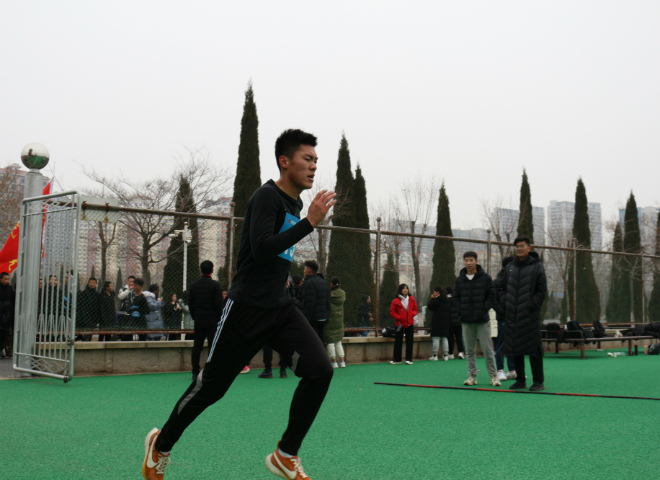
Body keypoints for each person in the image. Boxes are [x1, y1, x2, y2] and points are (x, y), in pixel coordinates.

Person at [142, 128, 336, 480]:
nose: (313, 167)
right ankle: (161, 444)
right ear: (284, 161)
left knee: (320, 369)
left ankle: (286, 454)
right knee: (211, 388)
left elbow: (276, 255)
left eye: (315, 161)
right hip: (246, 309)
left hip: (280, 307)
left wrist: (299, 234)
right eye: (307, 159)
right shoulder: (266, 197)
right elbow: (261, 249)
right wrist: (310, 222)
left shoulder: (294, 204)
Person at [499, 236, 548, 392]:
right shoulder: (509, 267)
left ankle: (538, 381)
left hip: (530, 315)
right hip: (512, 315)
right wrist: (505, 303)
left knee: (534, 349)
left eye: (522, 246)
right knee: (515, 348)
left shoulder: (537, 267)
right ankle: (520, 380)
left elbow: (542, 290)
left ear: (529, 248)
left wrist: (531, 305)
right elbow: (501, 287)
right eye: (517, 246)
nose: (519, 249)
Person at [453, 251, 499, 387]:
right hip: (466, 321)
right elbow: (455, 298)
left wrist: (483, 309)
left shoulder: (485, 278)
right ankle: (472, 376)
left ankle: (494, 376)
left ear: (476, 261)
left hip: (482, 320)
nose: (468, 263)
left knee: (488, 350)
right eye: (466, 260)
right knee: (469, 351)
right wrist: (461, 311)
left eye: (471, 260)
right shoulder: (459, 280)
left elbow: (491, 295)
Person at [187, 260, 224, 381]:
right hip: (212, 320)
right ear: (212, 270)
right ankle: (209, 371)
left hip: (199, 319)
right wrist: (219, 319)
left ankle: (195, 372)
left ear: (201, 270)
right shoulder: (215, 285)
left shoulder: (194, 285)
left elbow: (191, 304)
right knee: (212, 346)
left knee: (197, 346)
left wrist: (195, 316)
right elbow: (219, 305)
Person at [494, 256, 516, 381]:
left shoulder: (516, 281)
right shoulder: (498, 281)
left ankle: (512, 370)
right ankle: (500, 370)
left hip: (515, 317)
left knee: (513, 344)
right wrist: (502, 312)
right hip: (503, 318)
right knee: (501, 344)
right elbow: (494, 300)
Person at [298, 259, 331, 342]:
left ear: (309, 270)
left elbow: (310, 304)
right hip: (323, 318)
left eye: (305, 269)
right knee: (320, 342)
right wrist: (327, 316)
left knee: (310, 342)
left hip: (313, 319)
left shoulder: (309, 283)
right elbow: (328, 302)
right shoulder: (323, 282)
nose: (304, 271)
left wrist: (305, 320)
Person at [390, 284, 418, 365]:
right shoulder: (395, 301)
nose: (405, 290)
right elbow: (392, 312)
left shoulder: (412, 299)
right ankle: (397, 360)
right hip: (400, 324)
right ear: (400, 290)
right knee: (398, 341)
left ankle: (409, 359)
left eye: (407, 288)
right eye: (404, 288)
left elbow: (415, 310)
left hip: (410, 323)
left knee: (410, 341)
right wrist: (400, 318)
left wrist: (411, 314)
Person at [324, 277, 346, 368]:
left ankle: (333, 362)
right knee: (338, 341)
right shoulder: (343, 293)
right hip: (339, 320)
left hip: (330, 320)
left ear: (331, 284)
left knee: (330, 342)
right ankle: (342, 361)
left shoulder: (328, 294)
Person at [427, 286, 451, 361]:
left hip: (436, 321)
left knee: (436, 338)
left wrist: (432, 299)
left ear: (438, 292)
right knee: (444, 338)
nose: (433, 293)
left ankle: (435, 355)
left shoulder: (437, 300)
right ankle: (446, 355)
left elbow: (430, 307)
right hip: (445, 321)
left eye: (434, 292)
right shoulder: (446, 300)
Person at [445, 286, 464, 359]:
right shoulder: (456, 299)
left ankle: (451, 353)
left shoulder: (446, 300)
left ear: (446, 292)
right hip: (458, 322)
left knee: (450, 338)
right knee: (459, 337)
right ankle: (461, 352)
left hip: (450, 322)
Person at [0, 272, 16, 359]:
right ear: (1, 279)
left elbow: (12, 302)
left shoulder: (10, 289)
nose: (7, 281)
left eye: (8, 279)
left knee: (8, 334)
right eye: (5, 279)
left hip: (8, 315)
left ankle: (8, 350)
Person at [118, 276, 136, 341]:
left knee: (131, 330)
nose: (131, 283)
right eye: (130, 282)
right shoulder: (123, 289)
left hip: (133, 313)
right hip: (124, 313)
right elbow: (120, 297)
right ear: (127, 282)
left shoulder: (136, 290)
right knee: (124, 330)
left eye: (133, 282)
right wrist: (128, 290)